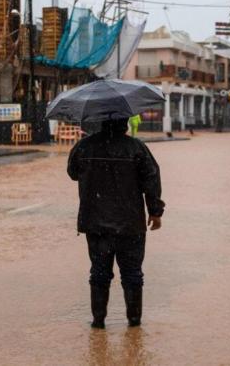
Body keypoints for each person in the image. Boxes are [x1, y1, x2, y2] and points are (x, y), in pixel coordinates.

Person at [68, 118, 165, 329]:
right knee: (132, 273)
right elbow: (152, 179)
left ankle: (98, 321)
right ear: (125, 122)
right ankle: (134, 323)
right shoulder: (137, 148)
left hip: (95, 222)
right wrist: (155, 212)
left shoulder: (84, 146)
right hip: (130, 223)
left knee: (99, 272)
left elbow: (73, 173)